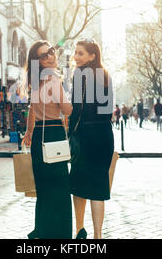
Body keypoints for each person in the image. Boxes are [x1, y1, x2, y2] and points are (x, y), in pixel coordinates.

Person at [21, 40, 73, 239]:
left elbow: (32, 111)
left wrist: (29, 133)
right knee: (59, 188)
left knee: (43, 188)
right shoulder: (52, 79)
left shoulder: (35, 82)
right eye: (44, 55)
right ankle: (59, 234)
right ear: (38, 61)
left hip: (39, 138)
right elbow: (66, 109)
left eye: (51, 51)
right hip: (54, 135)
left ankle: (42, 230)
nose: (51, 56)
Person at [69, 39, 114, 240]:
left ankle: (79, 229)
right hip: (104, 135)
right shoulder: (105, 75)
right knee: (98, 187)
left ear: (92, 56)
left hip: (85, 136)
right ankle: (98, 235)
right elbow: (108, 110)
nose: (76, 57)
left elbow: (76, 110)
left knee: (78, 184)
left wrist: (70, 133)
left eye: (80, 53)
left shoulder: (80, 75)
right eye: (75, 53)